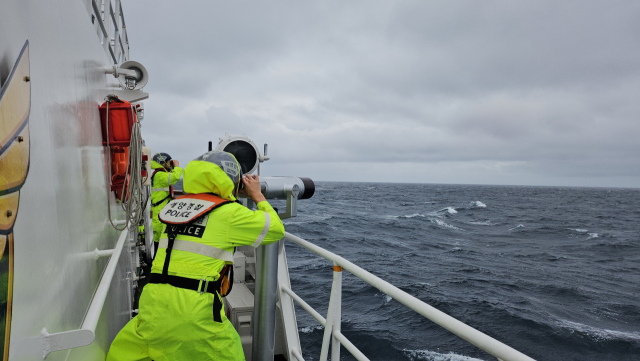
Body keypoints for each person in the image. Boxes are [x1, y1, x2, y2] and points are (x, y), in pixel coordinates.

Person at [106, 151, 285, 361]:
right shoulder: (230, 213)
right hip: (195, 308)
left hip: (153, 300)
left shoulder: (174, 206)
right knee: (227, 351)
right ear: (231, 180)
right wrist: (257, 196)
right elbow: (275, 229)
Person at [150, 152, 183, 250]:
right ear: (163, 162)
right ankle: (156, 260)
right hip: (159, 210)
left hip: (160, 208)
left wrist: (172, 167)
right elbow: (174, 177)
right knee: (159, 239)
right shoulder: (159, 175)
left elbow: (169, 174)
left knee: (159, 238)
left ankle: (156, 258)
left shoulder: (159, 174)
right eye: (168, 162)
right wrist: (177, 167)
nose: (170, 164)